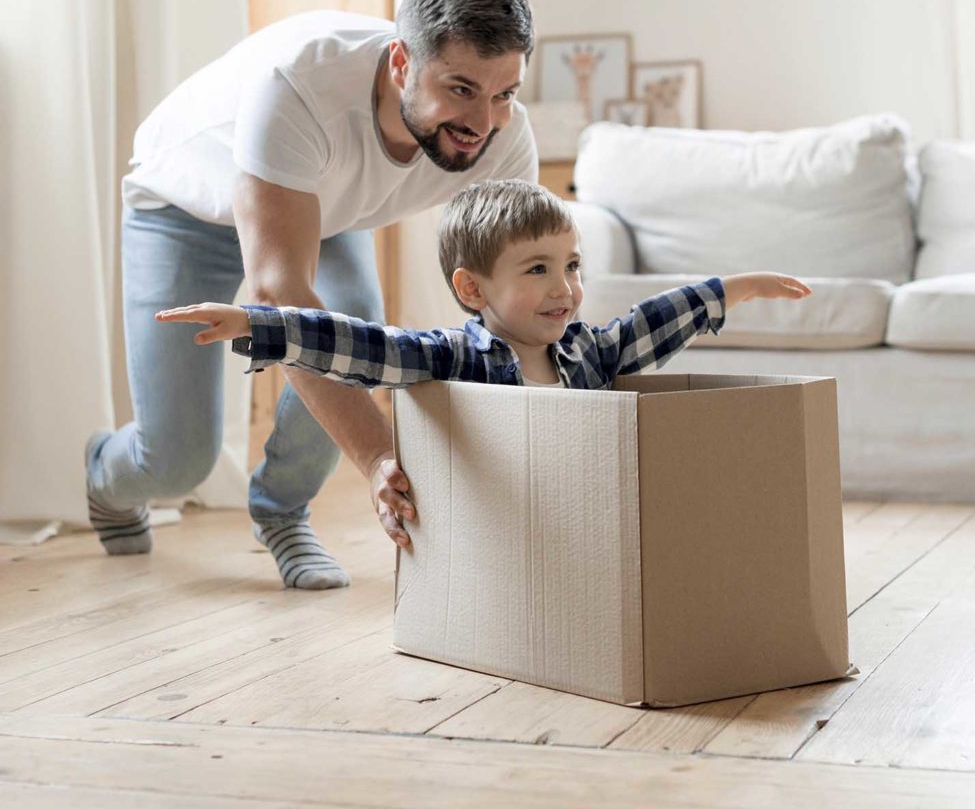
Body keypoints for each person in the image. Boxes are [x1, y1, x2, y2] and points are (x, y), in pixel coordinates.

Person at [86, 0, 538, 590]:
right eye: (461, 90)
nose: (483, 125)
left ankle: (281, 510)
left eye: (504, 93)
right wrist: (383, 458)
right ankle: (106, 473)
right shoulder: (299, 87)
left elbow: (518, 293)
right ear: (401, 63)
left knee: (352, 327)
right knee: (178, 461)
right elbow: (280, 297)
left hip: (317, 208)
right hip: (188, 210)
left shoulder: (502, 134)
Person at [156, 179, 813, 552]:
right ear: (473, 290)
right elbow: (356, 345)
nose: (565, 289)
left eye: (571, 266)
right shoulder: (450, 357)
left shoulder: (588, 352)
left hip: (579, 531)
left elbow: (649, 326)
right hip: (492, 539)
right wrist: (257, 324)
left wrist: (734, 290)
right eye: (538, 270)